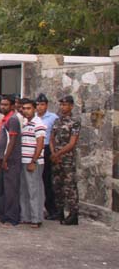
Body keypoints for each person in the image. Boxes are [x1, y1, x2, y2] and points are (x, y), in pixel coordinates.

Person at [51, 95, 81, 225]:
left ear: (71, 106)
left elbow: (72, 143)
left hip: (67, 159)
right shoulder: (57, 121)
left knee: (70, 186)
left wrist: (58, 153)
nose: (63, 107)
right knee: (57, 185)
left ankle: (73, 214)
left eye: (65, 105)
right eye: (61, 105)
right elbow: (51, 138)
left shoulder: (75, 122)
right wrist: (53, 153)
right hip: (56, 158)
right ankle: (59, 211)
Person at [19, 98, 46, 228]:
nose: (26, 111)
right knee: (24, 190)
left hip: (33, 161)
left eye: (29, 108)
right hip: (23, 160)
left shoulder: (38, 123)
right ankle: (26, 216)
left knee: (34, 190)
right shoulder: (25, 123)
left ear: (34, 109)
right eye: (24, 108)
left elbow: (40, 144)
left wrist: (33, 161)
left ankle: (36, 218)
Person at [0, 95, 22, 226]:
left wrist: (5, 158)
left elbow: (12, 140)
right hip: (5, 158)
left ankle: (12, 217)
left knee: (11, 189)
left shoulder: (13, 120)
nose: (3, 107)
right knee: (5, 189)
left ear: (12, 106)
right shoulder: (5, 119)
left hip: (11, 159)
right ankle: (4, 214)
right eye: (2, 104)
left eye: (6, 105)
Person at [34, 93, 59, 220]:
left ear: (47, 105)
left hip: (47, 149)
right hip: (33, 150)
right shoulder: (32, 117)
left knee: (47, 180)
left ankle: (52, 209)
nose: (39, 107)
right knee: (35, 181)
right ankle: (38, 208)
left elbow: (56, 136)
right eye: (38, 104)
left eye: (42, 104)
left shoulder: (53, 118)